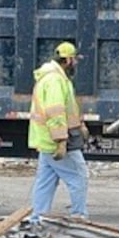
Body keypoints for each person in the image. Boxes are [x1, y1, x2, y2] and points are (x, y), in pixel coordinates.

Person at [28, 41, 88, 220]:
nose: (76, 63)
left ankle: (37, 219)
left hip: (47, 140)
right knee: (79, 176)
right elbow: (56, 112)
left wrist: (80, 123)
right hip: (57, 141)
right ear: (68, 60)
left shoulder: (53, 77)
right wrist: (61, 141)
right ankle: (79, 217)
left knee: (45, 181)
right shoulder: (55, 80)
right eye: (74, 60)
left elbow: (68, 108)